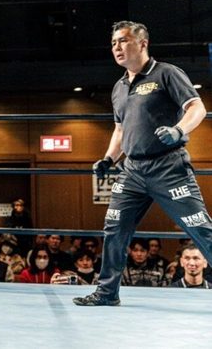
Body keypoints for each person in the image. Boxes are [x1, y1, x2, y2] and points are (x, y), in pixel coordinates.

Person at [74, 20, 212, 306]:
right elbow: (120, 129)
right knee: (114, 228)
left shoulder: (167, 73)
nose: (117, 47)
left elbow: (197, 107)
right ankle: (107, 293)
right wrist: (109, 158)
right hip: (133, 170)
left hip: (168, 167)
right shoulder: (119, 87)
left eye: (123, 41)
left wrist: (179, 130)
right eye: (113, 43)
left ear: (142, 43)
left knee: (200, 228)